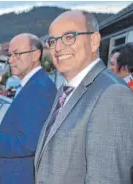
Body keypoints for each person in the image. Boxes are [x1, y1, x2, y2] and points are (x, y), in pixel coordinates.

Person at [34, 11, 133, 183]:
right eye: (53, 41)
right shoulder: (65, 91)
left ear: (94, 41)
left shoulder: (112, 94)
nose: (57, 48)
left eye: (69, 37)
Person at [0, 33, 57, 184]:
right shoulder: (35, 84)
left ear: (35, 55)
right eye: (10, 55)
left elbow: (29, 143)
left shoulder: (38, 89)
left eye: (17, 54)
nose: (10, 60)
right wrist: (4, 133)